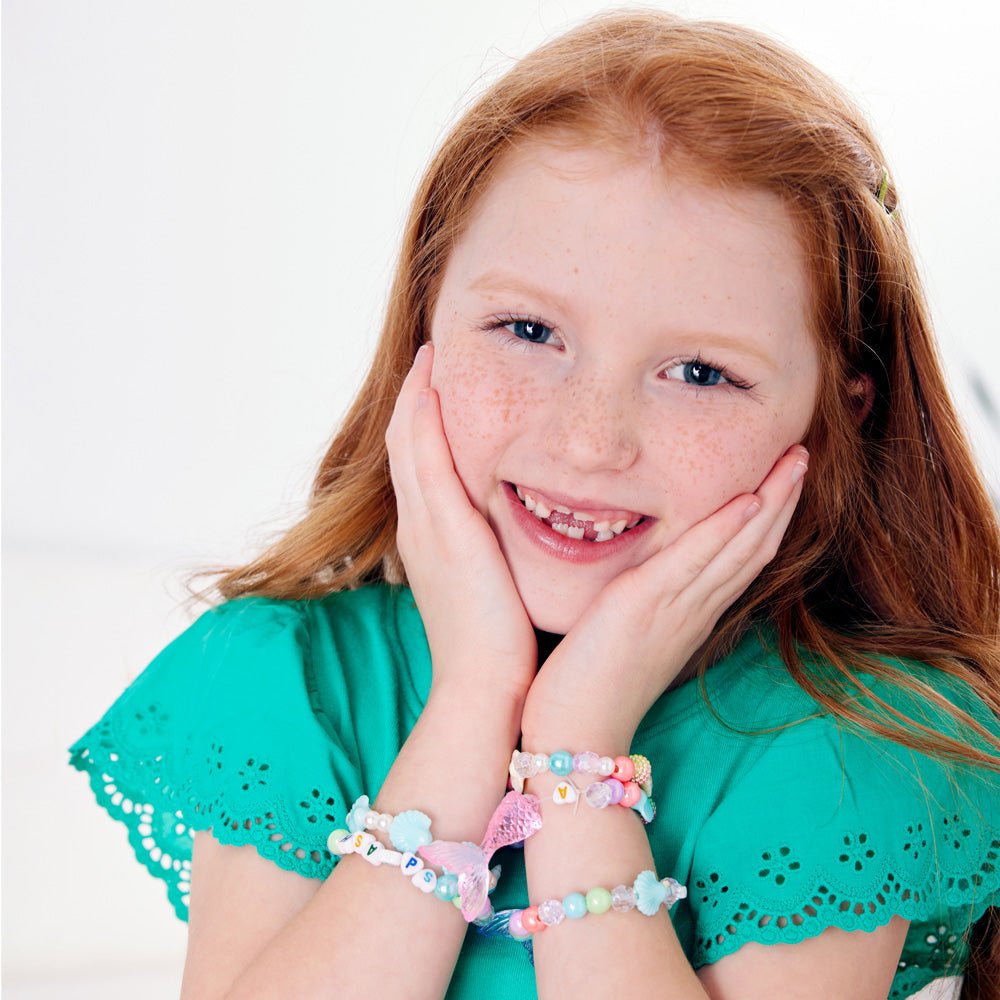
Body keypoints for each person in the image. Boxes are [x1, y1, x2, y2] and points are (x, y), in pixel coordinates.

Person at [67, 10, 1000, 999]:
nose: (588, 440)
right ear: (426, 317)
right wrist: (473, 698)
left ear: (835, 416)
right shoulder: (292, 679)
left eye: (698, 371)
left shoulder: (849, 746)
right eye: (526, 329)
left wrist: (580, 748)